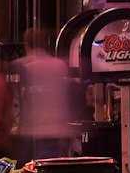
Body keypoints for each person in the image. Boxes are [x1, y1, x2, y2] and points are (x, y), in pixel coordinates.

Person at [11, 29, 80, 162]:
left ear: (27, 45)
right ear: (46, 44)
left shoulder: (21, 65)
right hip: (56, 131)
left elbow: (17, 101)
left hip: (31, 133)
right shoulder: (60, 65)